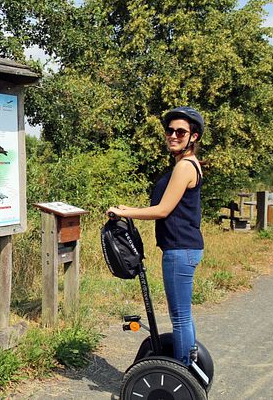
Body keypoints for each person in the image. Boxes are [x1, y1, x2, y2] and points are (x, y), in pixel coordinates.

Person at [107, 106, 205, 366]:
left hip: (180, 249)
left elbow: (163, 210)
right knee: (183, 313)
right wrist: (126, 210)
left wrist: (127, 212)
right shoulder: (185, 165)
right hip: (184, 248)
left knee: (180, 316)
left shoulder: (185, 167)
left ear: (193, 136)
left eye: (181, 132)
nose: (173, 135)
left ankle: (183, 369)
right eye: (169, 131)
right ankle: (189, 362)